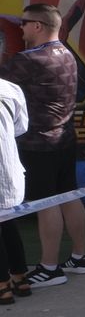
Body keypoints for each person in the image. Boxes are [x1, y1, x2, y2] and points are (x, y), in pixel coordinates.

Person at [6, 5, 85, 289]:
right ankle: (80, 258)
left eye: (24, 22)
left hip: (39, 143)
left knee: (46, 203)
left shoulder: (29, 60)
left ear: (38, 26)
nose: (20, 27)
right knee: (69, 195)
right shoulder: (67, 53)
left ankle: (50, 268)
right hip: (65, 139)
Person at [0, 77, 26, 305]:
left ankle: (2, 286)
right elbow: (21, 127)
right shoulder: (11, 88)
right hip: (10, 169)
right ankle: (20, 278)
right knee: (8, 223)